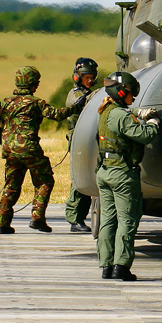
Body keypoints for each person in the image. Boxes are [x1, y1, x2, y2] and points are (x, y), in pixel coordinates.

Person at [0, 66, 84, 234]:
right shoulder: (36, 103)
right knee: (45, 181)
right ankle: (37, 218)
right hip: (30, 150)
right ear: (31, 84)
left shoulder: (5, 102)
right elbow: (57, 115)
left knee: (11, 185)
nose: (37, 85)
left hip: (10, 151)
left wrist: (2, 136)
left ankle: (2, 223)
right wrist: (75, 108)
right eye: (36, 82)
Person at [95, 71, 160, 281]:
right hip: (122, 174)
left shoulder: (105, 110)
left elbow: (123, 115)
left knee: (108, 220)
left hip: (104, 172)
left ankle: (106, 265)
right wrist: (153, 122)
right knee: (127, 220)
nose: (133, 98)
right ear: (122, 92)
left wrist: (139, 113)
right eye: (131, 94)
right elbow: (145, 135)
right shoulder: (121, 116)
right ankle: (121, 266)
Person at [64, 57, 98, 233]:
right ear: (77, 77)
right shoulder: (75, 94)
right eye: (86, 77)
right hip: (79, 144)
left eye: (92, 77)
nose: (90, 80)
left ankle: (80, 217)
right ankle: (74, 218)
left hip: (89, 142)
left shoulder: (89, 93)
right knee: (79, 182)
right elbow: (79, 103)